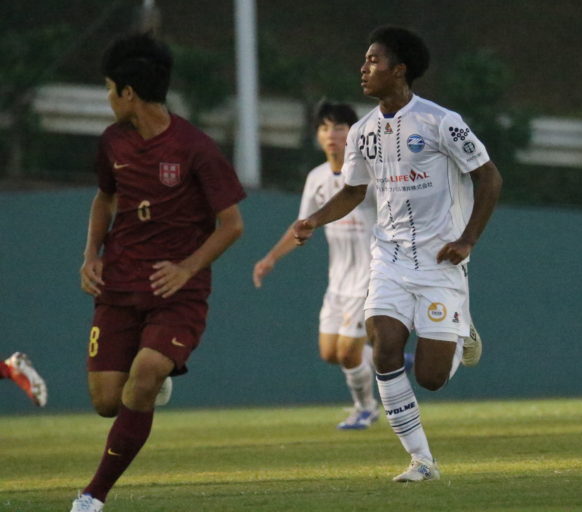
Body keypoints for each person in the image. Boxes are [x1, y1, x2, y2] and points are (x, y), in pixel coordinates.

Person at [292, 26, 502, 482]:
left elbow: (489, 177)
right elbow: (353, 191)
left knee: (430, 378)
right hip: (389, 259)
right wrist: (314, 219)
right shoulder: (363, 132)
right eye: (365, 60)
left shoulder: (441, 122)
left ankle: (460, 330)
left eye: (373, 60)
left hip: (442, 261)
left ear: (400, 70)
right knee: (384, 348)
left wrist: (467, 240)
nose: (363, 68)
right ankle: (421, 461)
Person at [72, 33, 245, 512]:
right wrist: (90, 255)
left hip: (177, 292)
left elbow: (232, 225)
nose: (108, 98)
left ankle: (92, 496)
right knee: (107, 401)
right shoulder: (112, 141)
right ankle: (152, 378)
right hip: (119, 283)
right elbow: (105, 198)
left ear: (128, 92)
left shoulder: (196, 148)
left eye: (109, 89)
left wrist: (188, 268)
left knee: (144, 374)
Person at [253, 102, 383, 430]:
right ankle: (385, 359)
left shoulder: (370, 173)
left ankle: (366, 408)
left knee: (348, 353)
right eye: (325, 128)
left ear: (353, 133)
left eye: (339, 127)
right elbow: (302, 224)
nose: (331, 135)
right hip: (337, 281)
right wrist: (271, 257)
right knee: (329, 353)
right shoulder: (317, 177)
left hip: (369, 277)